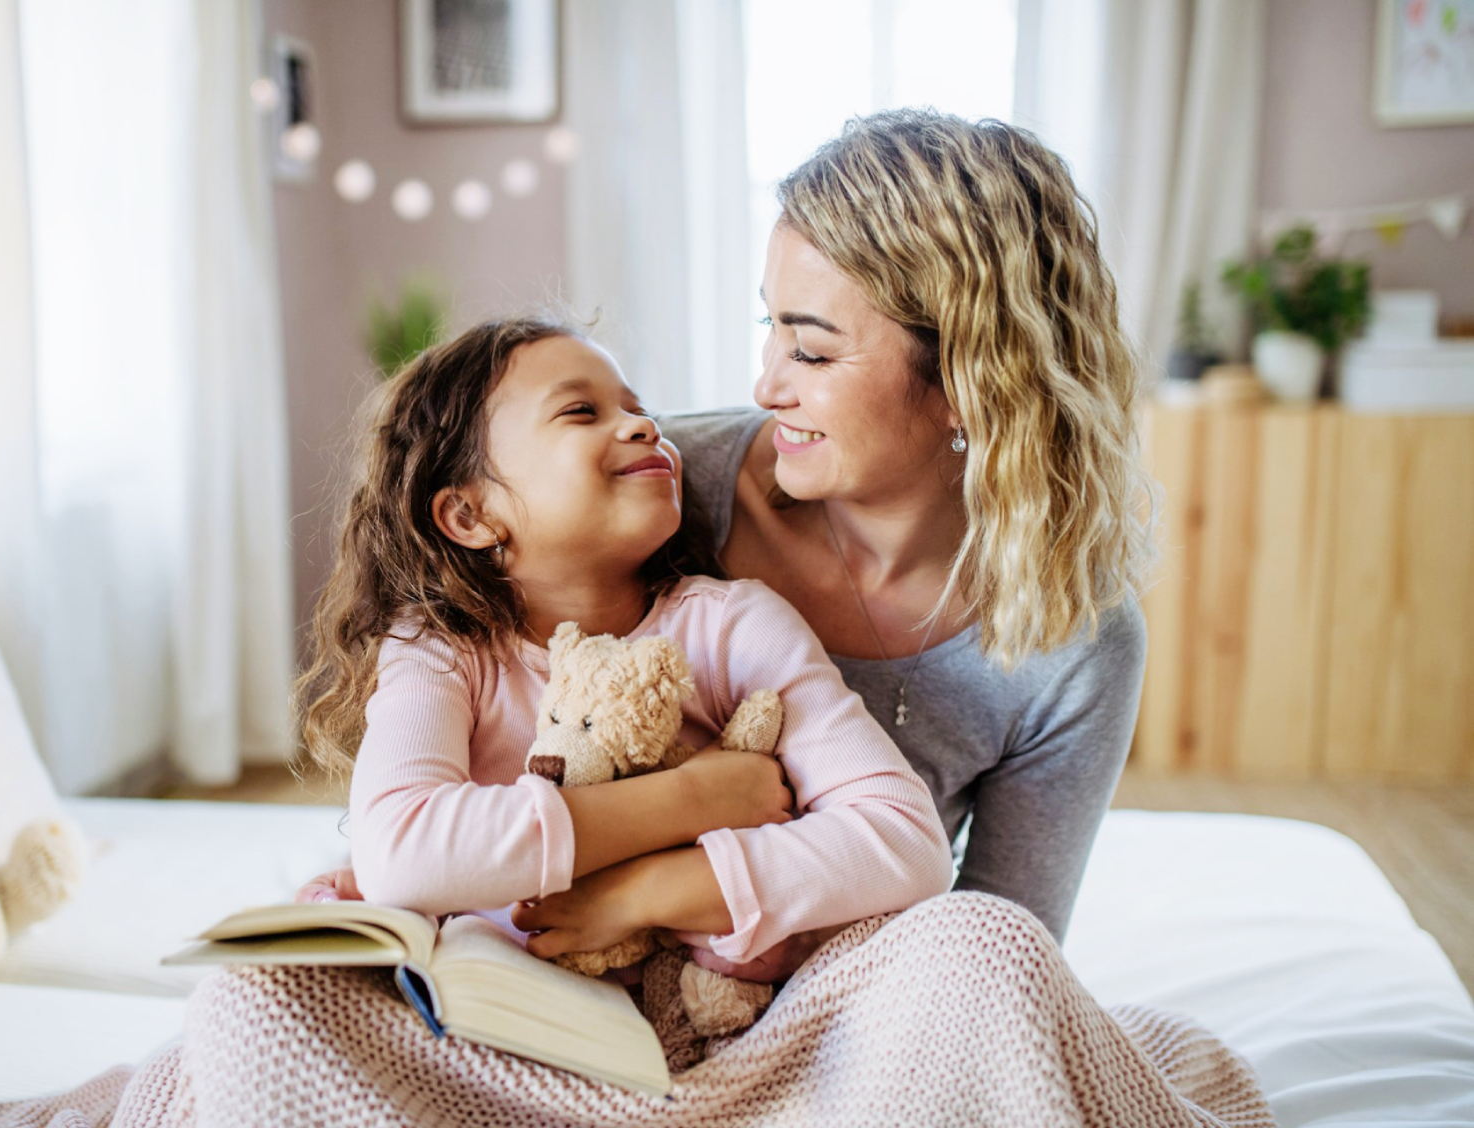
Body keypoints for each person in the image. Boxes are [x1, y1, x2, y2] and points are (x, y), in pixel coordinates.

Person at [292, 317, 952, 975]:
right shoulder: (440, 650)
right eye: (581, 411)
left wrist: (640, 895)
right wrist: (693, 800)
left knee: (986, 937)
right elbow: (401, 855)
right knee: (265, 991)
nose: (643, 427)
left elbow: (906, 841)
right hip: (502, 1025)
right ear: (470, 515)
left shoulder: (735, 627)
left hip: (712, 1027)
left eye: (639, 410)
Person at [662, 106, 1153, 984]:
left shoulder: (1070, 640)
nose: (765, 384)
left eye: (810, 352)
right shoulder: (666, 494)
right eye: (769, 328)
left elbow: (1002, 956)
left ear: (972, 380)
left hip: (859, 1012)